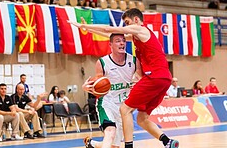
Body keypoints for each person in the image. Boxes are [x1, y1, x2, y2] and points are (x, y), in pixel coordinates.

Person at [68, 8, 179, 148]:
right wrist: (89, 30)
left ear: (136, 20)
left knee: (124, 109)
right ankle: (167, 141)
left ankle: (129, 146)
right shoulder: (136, 38)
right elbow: (110, 35)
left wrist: (84, 26)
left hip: (154, 76)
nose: (126, 27)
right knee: (142, 118)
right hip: (164, 79)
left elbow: (110, 29)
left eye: (127, 22)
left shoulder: (141, 30)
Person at [82, 33, 142, 148]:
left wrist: (138, 84)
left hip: (124, 107)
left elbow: (141, 79)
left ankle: (92, 144)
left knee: (114, 145)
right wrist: (87, 88)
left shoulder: (134, 61)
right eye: (118, 41)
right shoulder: (102, 62)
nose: (122, 43)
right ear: (110, 45)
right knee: (110, 132)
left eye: (124, 41)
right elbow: (97, 85)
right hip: (107, 103)